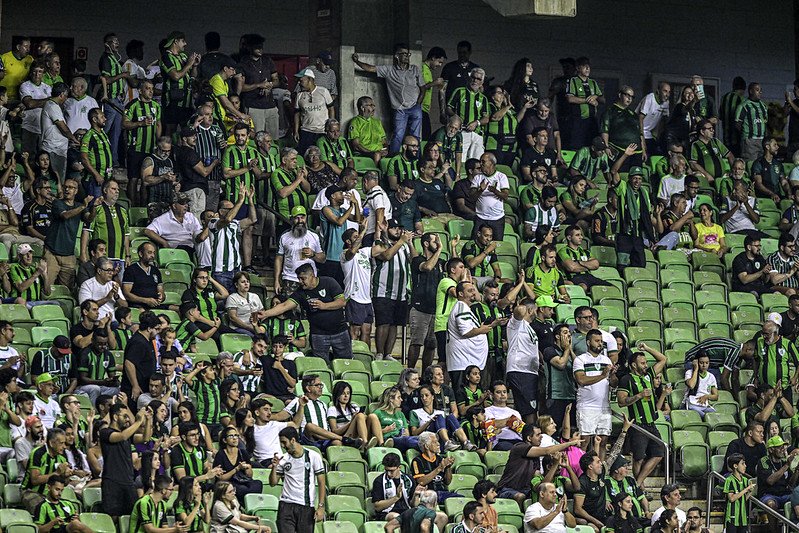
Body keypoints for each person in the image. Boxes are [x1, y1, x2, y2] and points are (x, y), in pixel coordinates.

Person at [261, 263, 351, 362]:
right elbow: (284, 306)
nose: (300, 281)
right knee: (320, 364)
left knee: (346, 362)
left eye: (303, 278)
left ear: (312, 276)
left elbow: (342, 302)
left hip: (339, 331)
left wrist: (324, 306)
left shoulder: (329, 282)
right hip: (318, 334)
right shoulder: (300, 292)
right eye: (298, 278)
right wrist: (265, 314)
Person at [497, 424, 580, 505]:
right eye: (538, 435)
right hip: (507, 489)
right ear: (529, 438)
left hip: (526, 491)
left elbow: (537, 475)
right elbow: (547, 450)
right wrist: (569, 443)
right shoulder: (520, 447)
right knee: (520, 496)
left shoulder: (536, 457)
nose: (542, 436)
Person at [269, 426, 325, 532]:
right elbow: (273, 483)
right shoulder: (284, 459)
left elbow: (321, 482)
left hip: (306, 506)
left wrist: (321, 506)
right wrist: (274, 467)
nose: (282, 446)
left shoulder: (313, 456)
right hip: (286, 505)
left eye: (284, 442)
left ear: (293, 440)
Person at [610, 149, 656, 268]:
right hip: (624, 234)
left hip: (638, 235)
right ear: (630, 178)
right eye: (635, 178)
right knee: (622, 266)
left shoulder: (644, 192)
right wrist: (625, 155)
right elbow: (614, 171)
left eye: (640, 179)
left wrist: (650, 235)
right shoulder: (623, 187)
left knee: (641, 265)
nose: (637, 181)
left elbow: (647, 215)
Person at [565, 57, 604, 150]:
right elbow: (570, 98)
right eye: (584, 66)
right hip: (578, 120)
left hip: (592, 121)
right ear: (578, 68)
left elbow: (602, 99)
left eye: (589, 67)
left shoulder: (593, 82)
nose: (587, 69)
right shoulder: (573, 80)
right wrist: (588, 100)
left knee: (593, 146)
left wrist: (595, 97)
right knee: (577, 147)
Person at [469, 152, 509, 241]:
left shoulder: (501, 177)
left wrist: (495, 191)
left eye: (483, 162)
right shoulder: (477, 178)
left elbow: (505, 196)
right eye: (480, 162)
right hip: (480, 217)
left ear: (491, 163)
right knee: (474, 242)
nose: (481, 164)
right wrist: (480, 190)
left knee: (496, 244)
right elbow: (471, 197)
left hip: (497, 218)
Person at [372, 452, 421, 521]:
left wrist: (416, 495)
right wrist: (396, 497)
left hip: (407, 510)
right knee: (397, 517)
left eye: (391, 471)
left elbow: (414, 505)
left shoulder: (409, 480)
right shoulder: (379, 481)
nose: (389, 474)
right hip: (387, 513)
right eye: (387, 470)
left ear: (399, 468)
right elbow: (377, 507)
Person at [348, 96, 388, 164]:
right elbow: (356, 145)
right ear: (362, 108)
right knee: (377, 155)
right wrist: (371, 152)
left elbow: (384, 141)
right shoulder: (355, 122)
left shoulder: (377, 122)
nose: (374, 108)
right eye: (371, 105)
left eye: (374, 105)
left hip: (379, 152)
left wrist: (386, 150)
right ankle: (376, 173)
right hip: (365, 153)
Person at [636, 82, 671, 157]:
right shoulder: (650, 98)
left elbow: (664, 121)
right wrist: (642, 139)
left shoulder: (666, 103)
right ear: (658, 91)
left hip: (649, 133)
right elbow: (640, 118)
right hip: (637, 132)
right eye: (665, 91)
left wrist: (658, 136)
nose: (667, 94)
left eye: (669, 92)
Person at [736, 82, 769, 161]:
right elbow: (737, 124)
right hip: (749, 141)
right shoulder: (744, 105)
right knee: (750, 163)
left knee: (761, 164)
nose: (760, 92)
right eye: (757, 90)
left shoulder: (763, 106)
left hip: (762, 140)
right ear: (751, 91)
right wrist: (746, 136)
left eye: (761, 90)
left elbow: (765, 123)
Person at [724, 453, 755, 533]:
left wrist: (750, 492)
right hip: (732, 518)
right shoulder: (729, 480)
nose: (745, 466)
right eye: (742, 463)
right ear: (735, 466)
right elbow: (731, 498)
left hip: (743, 517)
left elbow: (743, 499)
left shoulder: (745, 480)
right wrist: (746, 489)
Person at [752, 137, 788, 202]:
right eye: (775, 145)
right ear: (767, 147)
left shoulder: (778, 164)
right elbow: (758, 184)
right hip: (764, 197)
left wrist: (789, 193)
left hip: (778, 196)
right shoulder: (758, 163)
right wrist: (771, 194)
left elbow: (784, 182)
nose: (777, 147)